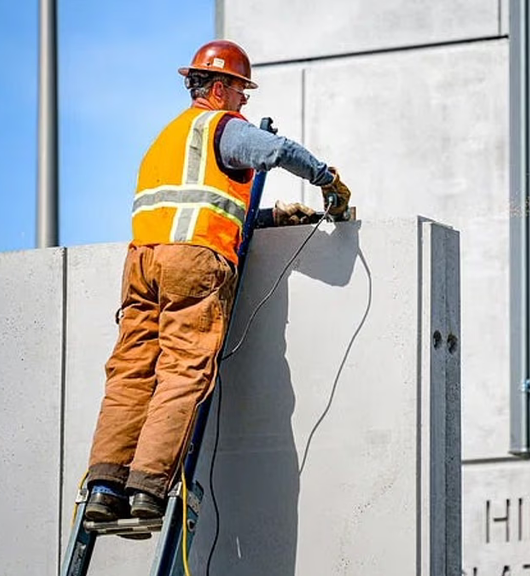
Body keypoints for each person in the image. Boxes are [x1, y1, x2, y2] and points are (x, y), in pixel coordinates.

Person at [82, 39, 351, 523]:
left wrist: (268, 216)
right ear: (221, 87)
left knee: (130, 374)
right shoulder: (222, 126)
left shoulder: (168, 137)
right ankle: (146, 489)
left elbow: (197, 204)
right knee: (183, 371)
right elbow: (277, 151)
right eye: (241, 90)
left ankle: (104, 485)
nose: (245, 100)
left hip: (142, 266)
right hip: (193, 265)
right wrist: (327, 179)